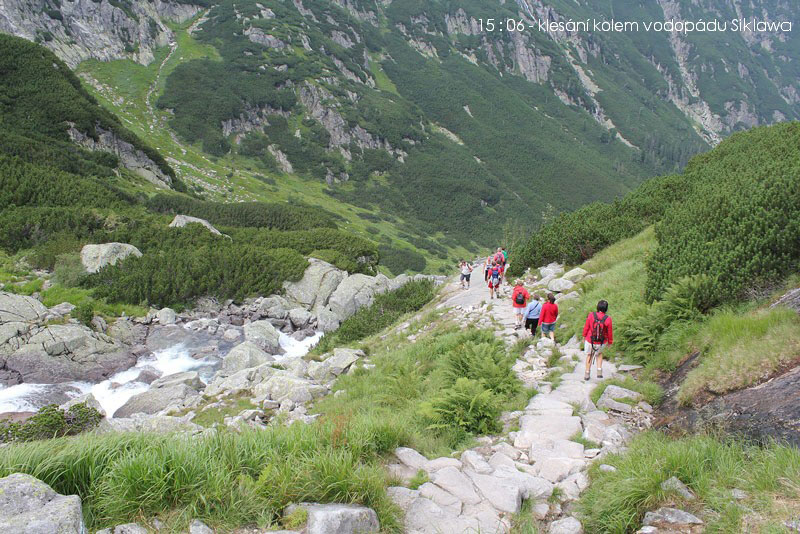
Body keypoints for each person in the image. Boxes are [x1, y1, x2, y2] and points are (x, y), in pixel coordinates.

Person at [583, 300, 613, 381]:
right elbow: (609, 332)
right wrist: (610, 342)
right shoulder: (608, 319)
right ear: (606, 309)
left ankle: (587, 373)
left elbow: (586, 326)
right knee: (599, 354)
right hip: (601, 342)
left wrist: (584, 335)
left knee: (589, 355)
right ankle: (599, 371)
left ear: (598, 307)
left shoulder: (591, 315)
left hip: (590, 340)